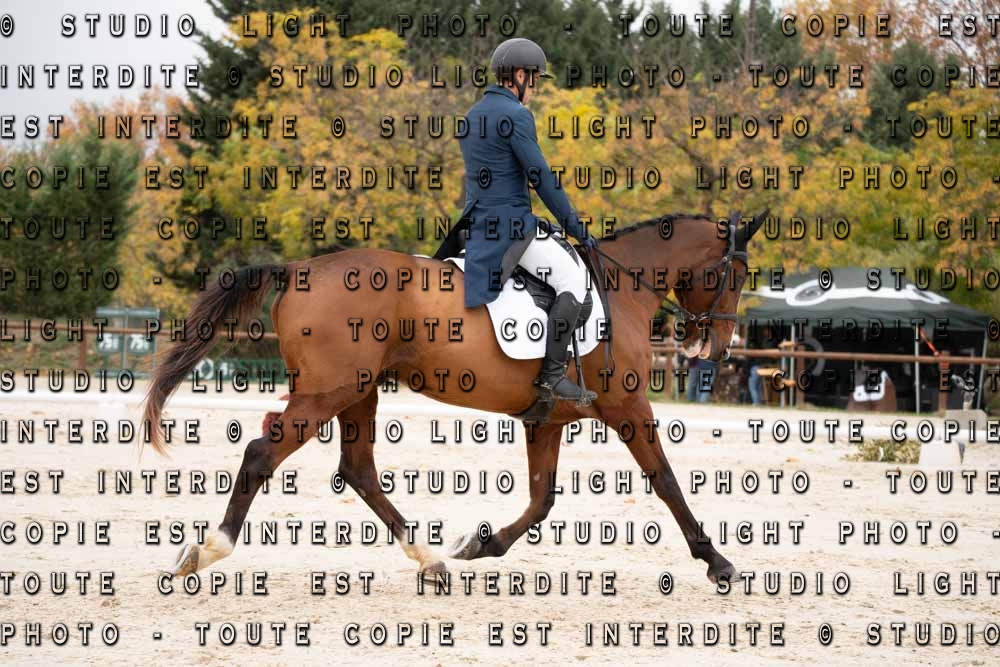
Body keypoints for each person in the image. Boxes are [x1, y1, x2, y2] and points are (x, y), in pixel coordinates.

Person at [434, 38, 599, 403]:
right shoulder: (517, 116)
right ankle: (552, 376)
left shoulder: (473, 115)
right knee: (574, 280)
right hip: (509, 228)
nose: (536, 89)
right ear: (520, 76)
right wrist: (575, 226)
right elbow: (541, 178)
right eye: (535, 80)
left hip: (475, 225)